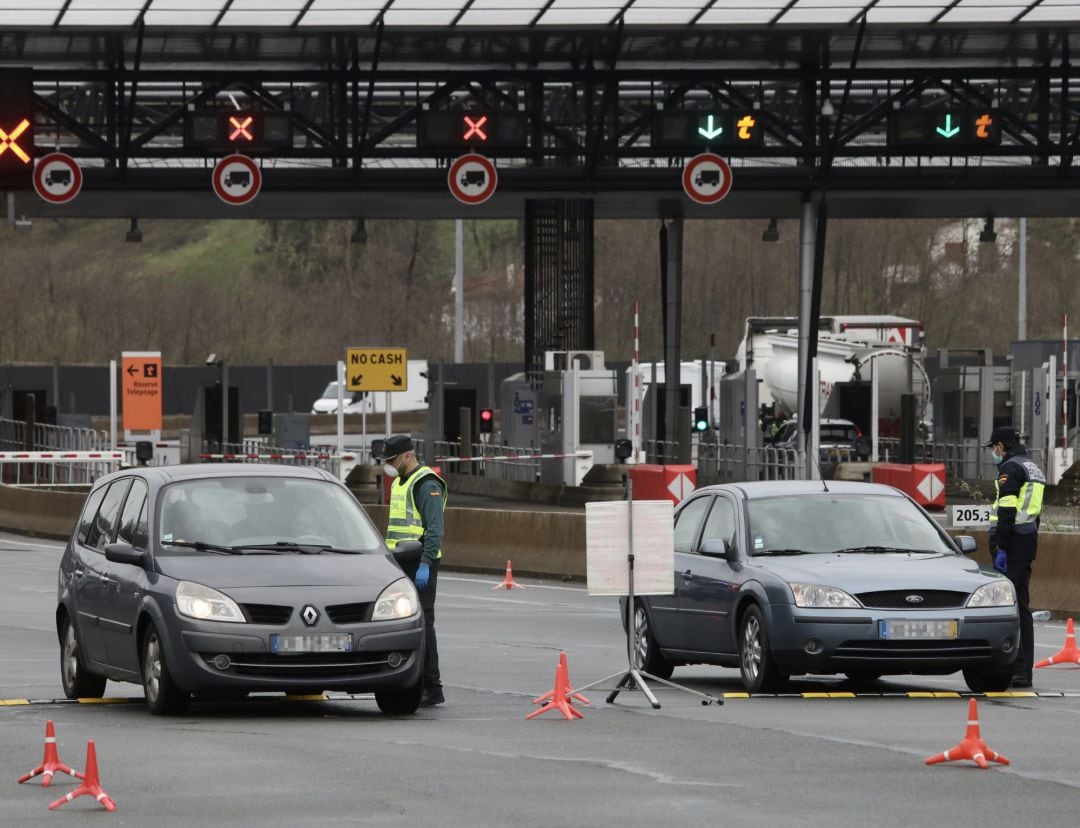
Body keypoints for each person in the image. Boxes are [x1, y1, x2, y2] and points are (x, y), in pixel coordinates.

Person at [375, 434, 447, 707]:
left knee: (424, 624)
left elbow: (434, 529)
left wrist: (426, 564)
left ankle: (432, 685)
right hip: (400, 562)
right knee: (404, 624)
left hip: (420, 563)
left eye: (392, 459)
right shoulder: (401, 482)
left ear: (407, 455)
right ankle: (411, 680)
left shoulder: (426, 483)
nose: (389, 464)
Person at [985, 425, 1046, 689]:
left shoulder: (1009, 469)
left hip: (1012, 543)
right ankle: (1021, 670)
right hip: (1027, 538)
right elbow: (1036, 513)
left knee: (1011, 607)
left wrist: (1001, 547)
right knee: (1021, 605)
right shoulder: (1032, 467)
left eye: (994, 447)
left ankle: (1013, 668)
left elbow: (1008, 510)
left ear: (1001, 446)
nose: (993, 453)